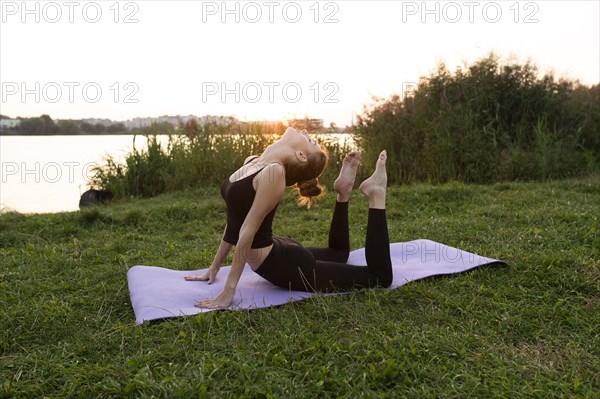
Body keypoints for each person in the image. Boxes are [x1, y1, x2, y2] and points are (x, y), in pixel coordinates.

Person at [185, 127, 392, 308]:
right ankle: (343, 192)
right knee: (338, 253)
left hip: (284, 265)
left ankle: (376, 193)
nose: (305, 132)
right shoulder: (253, 162)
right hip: (279, 251)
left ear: (301, 155)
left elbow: (248, 229)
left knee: (380, 277)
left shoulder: (274, 173)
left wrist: (229, 290)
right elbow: (236, 220)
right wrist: (214, 267)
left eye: (310, 141)